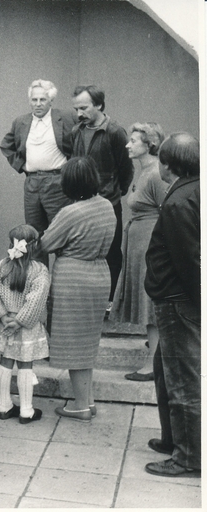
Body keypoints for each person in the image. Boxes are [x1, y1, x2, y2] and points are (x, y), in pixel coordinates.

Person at [39, 157, 115, 422]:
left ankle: (81, 405)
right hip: (100, 273)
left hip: (73, 277)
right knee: (87, 342)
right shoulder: (106, 205)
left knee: (74, 344)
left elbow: (47, 243)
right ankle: (88, 401)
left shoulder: (70, 213)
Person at [144, 132, 200, 478]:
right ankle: (173, 440)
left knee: (181, 380)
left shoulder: (180, 201)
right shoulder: (192, 191)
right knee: (166, 372)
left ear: (169, 165)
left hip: (178, 302)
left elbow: (188, 260)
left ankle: (189, 456)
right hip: (179, 300)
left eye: (160, 160)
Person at [109, 123, 167, 381]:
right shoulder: (143, 172)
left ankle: (153, 364)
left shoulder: (156, 174)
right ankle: (155, 353)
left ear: (149, 144)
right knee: (147, 303)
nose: (127, 145)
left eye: (133, 141)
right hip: (139, 245)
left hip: (151, 246)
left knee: (150, 304)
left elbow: (169, 212)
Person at [71, 85, 133, 302]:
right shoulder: (77, 131)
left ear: (98, 104)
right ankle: (91, 298)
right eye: (76, 109)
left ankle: (110, 301)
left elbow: (126, 169)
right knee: (86, 251)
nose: (79, 113)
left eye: (84, 108)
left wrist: (114, 192)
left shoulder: (114, 132)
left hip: (108, 204)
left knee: (111, 253)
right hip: (82, 204)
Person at [0, 225, 50, 425]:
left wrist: (3, 316)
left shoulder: (2, 266)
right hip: (26, 326)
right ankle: (26, 410)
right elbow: (36, 300)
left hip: (5, 323)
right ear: (35, 245)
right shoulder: (39, 270)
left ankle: (3, 405)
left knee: (5, 361)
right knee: (25, 364)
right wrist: (20, 321)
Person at [0, 79, 76, 239]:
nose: (38, 104)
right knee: (33, 232)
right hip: (32, 184)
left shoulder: (66, 117)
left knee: (59, 231)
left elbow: (80, 141)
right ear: (30, 101)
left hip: (57, 182)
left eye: (43, 99)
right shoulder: (21, 122)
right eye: (34, 100)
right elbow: (6, 145)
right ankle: (37, 258)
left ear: (51, 101)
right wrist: (22, 165)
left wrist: (72, 169)